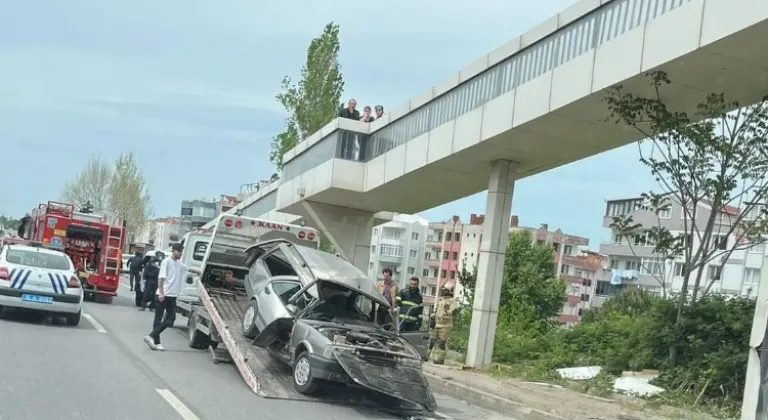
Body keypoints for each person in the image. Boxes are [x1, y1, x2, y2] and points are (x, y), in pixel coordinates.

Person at [143, 244, 186, 351]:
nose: (180, 254)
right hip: (163, 294)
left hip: (172, 296)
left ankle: (151, 336)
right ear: (174, 251)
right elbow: (161, 278)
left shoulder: (179, 264)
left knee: (171, 319)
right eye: (179, 252)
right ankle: (156, 342)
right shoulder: (166, 262)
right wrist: (161, 293)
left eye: (181, 252)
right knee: (158, 318)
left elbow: (188, 269)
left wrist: (199, 272)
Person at [428, 284, 460, 365]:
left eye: (444, 290)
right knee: (431, 341)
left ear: (449, 291)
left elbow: (454, 311)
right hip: (438, 324)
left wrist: (446, 312)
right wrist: (433, 317)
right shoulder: (441, 301)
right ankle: (426, 356)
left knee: (441, 343)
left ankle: (440, 359)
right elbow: (437, 311)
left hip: (446, 326)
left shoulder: (453, 301)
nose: (442, 292)